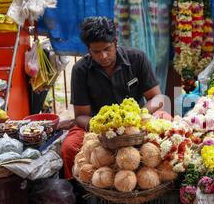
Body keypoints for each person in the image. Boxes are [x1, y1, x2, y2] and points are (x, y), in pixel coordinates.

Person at [61, 16, 170, 180]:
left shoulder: (137, 59)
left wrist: (137, 116)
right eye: (96, 52)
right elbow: (81, 115)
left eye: (107, 49)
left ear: (115, 42)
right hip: (98, 127)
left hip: (137, 122)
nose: (103, 56)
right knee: (69, 148)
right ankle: (77, 195)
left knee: (169, 127)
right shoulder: (80, 70)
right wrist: (101, 127)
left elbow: (157, 98)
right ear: (88, 50)